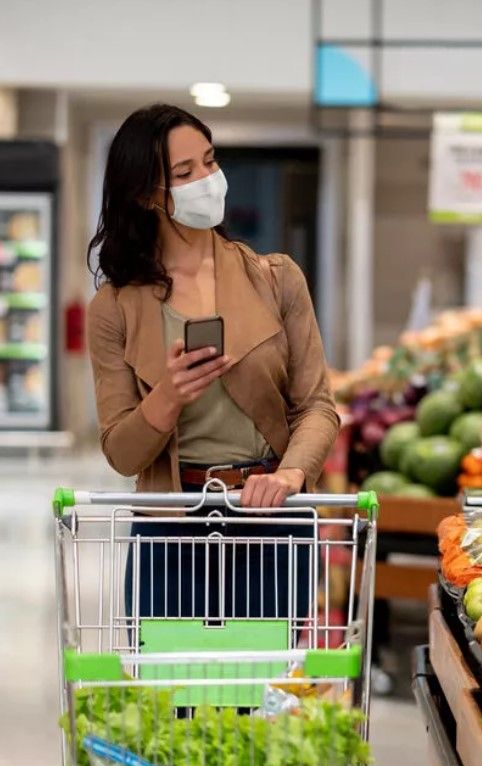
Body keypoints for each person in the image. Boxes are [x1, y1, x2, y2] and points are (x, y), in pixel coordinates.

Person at [86, 104, 339, 627]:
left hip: (269, 516)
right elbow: (121, 453)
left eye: (209, 162)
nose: (207, 181)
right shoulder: (114, 309)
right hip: (170, 527)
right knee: (174, 697)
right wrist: (167, 396)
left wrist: (292, 472)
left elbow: (317, 406)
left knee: (269, 695)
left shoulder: (276, 279)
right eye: (184, 174)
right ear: (144, 194)